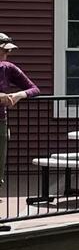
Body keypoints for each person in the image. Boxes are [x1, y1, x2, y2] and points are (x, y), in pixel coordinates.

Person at [0, 32, 40, 230]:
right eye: (3, 51)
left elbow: (34, 89)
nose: (6, 56)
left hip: (0, 122)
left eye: (7, 52)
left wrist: (17, 95)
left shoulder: (8, 68)